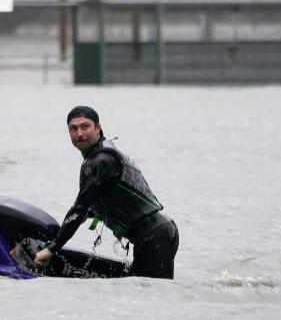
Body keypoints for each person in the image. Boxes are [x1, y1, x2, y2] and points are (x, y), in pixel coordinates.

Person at [34, 105, 179, 279]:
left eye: (85, 127)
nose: (79, 134)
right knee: (155, 292)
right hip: (160, 232)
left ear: (98, 128)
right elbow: (87, 209)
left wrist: (52, 249)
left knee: (147, 296)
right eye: (73, 129)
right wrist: (61, 233)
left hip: (153, 237)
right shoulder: (105, 152)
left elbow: (79, 208)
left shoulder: (99, 161)